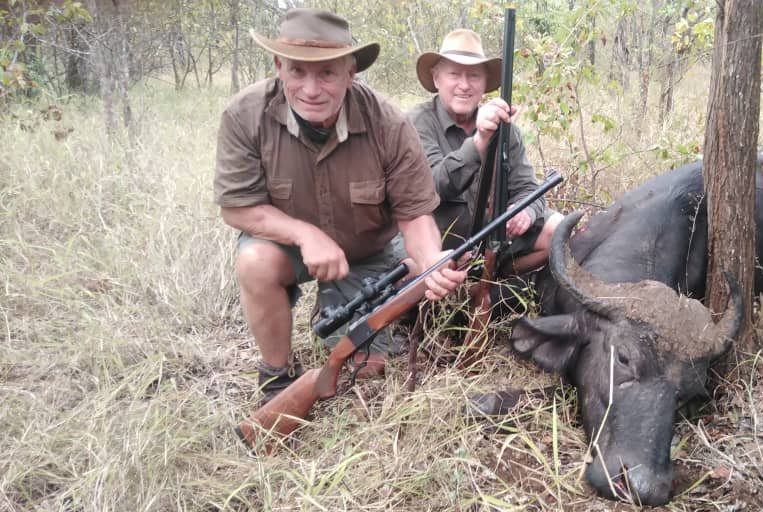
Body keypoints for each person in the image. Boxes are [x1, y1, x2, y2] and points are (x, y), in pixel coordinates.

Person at [213, 8, 466, 403]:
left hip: (369, 255)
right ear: (278, 67)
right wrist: (304, 234)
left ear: (351, 73)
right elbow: (236, 208)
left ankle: (358, 319)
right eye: (298, 71)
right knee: (255, 260)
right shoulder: (245, 115)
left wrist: (434, 263)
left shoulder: (388, 123)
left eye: (327, 73)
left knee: (373, 361)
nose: (312, 89)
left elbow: (414, 216)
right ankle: (278, 378)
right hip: (293, 251)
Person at [407, 29, 562, 275]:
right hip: (440, 250)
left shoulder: (505, 128)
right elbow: (435, 185)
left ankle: (493, 284)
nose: (465, 85)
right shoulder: (417, 123)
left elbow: (529, 189)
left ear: (484, 83)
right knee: (408, 269)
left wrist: (525, 211)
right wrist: (480, 141)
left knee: (559, 232)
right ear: (436, 79)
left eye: (474, 76)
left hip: (494, 242)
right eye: (454, 74)